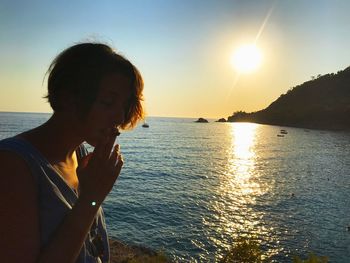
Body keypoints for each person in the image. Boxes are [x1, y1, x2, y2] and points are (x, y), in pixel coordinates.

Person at [0, 43, 144, 262]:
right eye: (107, 102)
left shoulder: (79, 153)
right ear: (69, 97)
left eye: (124, 105)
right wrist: (92, 197)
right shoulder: (12, 164)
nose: (119, 117)